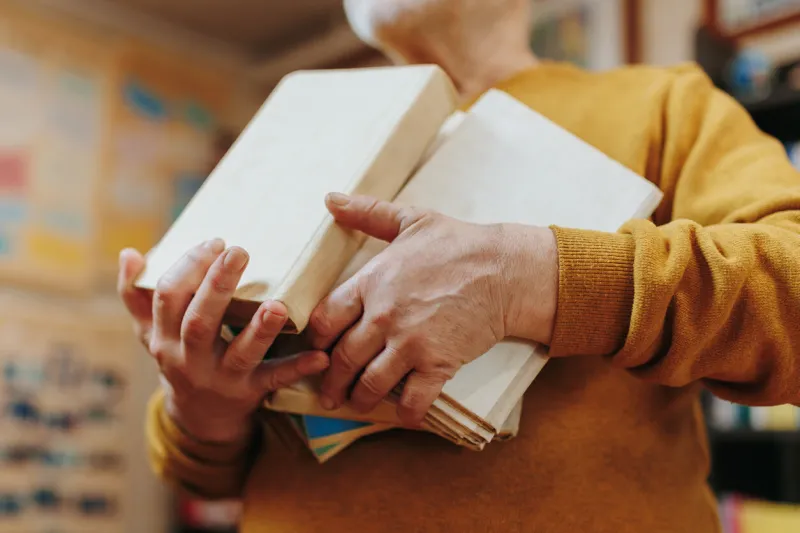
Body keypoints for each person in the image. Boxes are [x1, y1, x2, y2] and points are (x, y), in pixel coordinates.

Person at [118, 0, 800, 531]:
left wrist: (532, 277)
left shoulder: (666, 105)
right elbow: (199, 472)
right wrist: (201, 408)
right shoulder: (297, 137)